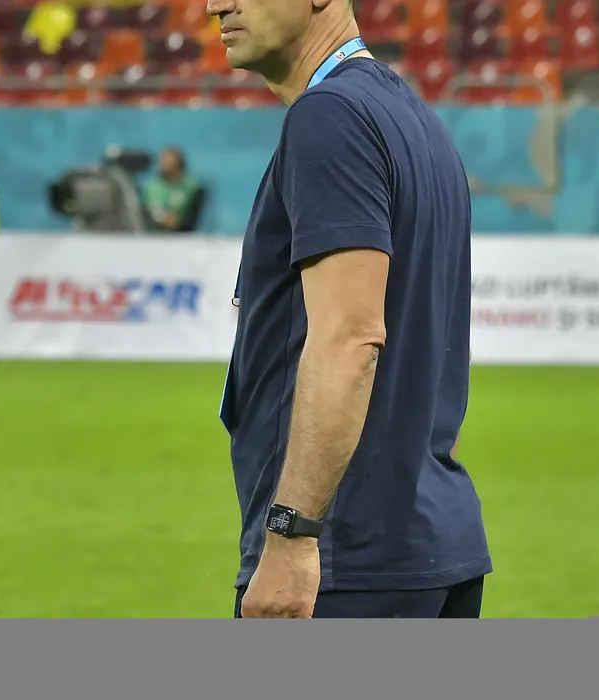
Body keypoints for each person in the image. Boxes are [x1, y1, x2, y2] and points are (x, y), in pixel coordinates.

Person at [209, 0, 491, 618]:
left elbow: (349, 339)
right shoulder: (411, 117)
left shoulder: (329, 116)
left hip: (343, 559)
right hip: (425, 544)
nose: (215, 6)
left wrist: (290, 533)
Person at [143, 146, 207, 233]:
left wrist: (175, 221)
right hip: (154, 237)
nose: (163, 164)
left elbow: (191, 217)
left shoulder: (193, 187)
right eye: (162, 161)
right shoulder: (151, 188)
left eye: (168, 161)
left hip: (183, 236)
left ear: (178, 163)